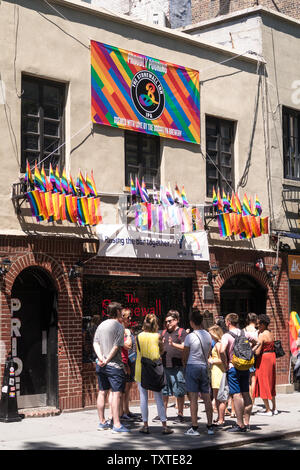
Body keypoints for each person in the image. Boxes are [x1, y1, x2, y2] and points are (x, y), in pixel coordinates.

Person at [93, 302, 130, 434]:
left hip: (101, 365)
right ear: (118, 311)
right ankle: (117, 424)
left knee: (102, 392)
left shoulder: (101, 325)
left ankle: (102, 422)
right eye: (121, 311)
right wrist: (107, 359)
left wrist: (101, 358)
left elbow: (95, 342)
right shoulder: (119, 327)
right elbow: (116, 347)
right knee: (116, 394)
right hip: (114, 366)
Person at [219, 313, 259, 433]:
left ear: (228, 323)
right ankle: (247, 423)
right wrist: (249, 353)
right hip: (245, 367)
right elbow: (257, 342)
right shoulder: (245, 333)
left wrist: (225, 363)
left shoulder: (226, 336)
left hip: (233, 367)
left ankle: (240, 424)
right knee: (246, 394)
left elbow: (221, 350)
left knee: (236, 395)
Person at [135, 313, 174, 435]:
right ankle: (164, 425)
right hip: (155, 369)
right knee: (159, 398)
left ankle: (145, 425)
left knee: (143, 398)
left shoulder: (138, 336)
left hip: (141, 369)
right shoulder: (157, 336)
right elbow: (161, 351)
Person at [183, 309, 214, 436]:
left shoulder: (189, 337)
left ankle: (195, 427)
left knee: (194, 399)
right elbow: (208, 351)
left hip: (192, 366)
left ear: (191, 322)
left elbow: (184, 355)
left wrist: (185, 365)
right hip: (203, 366)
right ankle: (210, 426)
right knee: (206, 397)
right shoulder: (208, 335)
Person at [158, 310, 187, 424]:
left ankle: (180, 413)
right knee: (164, 392)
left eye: (170, 321)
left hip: (178, 366)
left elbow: (185, 347)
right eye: (166, 322)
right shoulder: (163, 333)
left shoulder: (181, 332)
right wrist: (161, 345)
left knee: (179, 391)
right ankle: (163, 414)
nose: (167, 323)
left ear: (176, 320)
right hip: (165, 366)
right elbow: (159, 349)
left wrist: (173, 344)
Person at [253, 314, 277, 416]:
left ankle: (267, 410)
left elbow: (257, 352)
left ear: (263, 324)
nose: (257, 326)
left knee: (263, 382)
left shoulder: (262, 335)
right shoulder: (270, 333)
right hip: (272, 357)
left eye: (258, 324)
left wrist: (252, 349)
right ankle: (274, 408)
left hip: (264, 359)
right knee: (271, 382)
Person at [208, 325, 226, 426]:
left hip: (219, 371)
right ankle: (219, 417)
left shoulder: (219, 344)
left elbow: (221, 359)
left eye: (210, 333)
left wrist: (212, 360)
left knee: (220, 397)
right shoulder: (215, 344)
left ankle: (221, 419)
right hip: (215, 371)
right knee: (216, 397)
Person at [118, 308, 134, 422]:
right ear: (122, 317)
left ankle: (126, 410)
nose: (130, 319)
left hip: (128, 360)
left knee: (127, 387)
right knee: (121, 389)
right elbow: (127, 346)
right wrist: (128, 335)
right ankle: (120, 413)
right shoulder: (121, 330)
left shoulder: (127, 330)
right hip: (121, 361)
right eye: (128, 317)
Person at [243, 313, 258, 406]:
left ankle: (247, 400)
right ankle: (252, 401)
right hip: (253, 355)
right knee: (253, 379)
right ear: (256, 320)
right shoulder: (256, 331)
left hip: (244, 355)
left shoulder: (243, 330)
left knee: (246, 379)